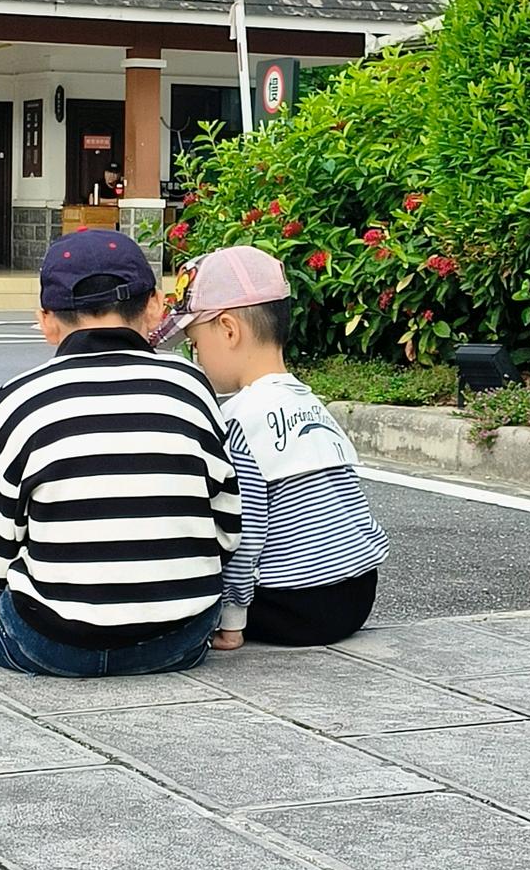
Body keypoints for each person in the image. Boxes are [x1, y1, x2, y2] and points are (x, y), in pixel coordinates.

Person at [0, 229, 242, 676]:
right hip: (179, 639)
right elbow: (226, 531)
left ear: (46, 321)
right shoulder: (191, 387)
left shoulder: (17, 400)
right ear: (156, 305)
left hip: (54, 644)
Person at [151, 246, 389, 650]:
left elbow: (246, 534)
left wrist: (231, 619)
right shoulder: (314, 406)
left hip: (293, 608)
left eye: (195, 344)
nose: (197, 358)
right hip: (358, 594)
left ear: (228, 329)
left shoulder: (241, 422)